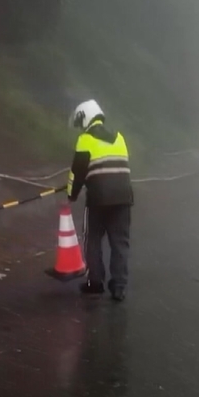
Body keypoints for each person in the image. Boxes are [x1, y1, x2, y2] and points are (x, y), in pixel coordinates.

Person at [67, 99, 134, 301]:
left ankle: (95, 283)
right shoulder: (119, 137)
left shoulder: (85, 140)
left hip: (98, 199)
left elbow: (77, 173)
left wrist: (72, 194)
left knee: (93, 239)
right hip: (123, 198)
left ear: (86, 117)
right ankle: (119, 287)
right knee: (119, 242)